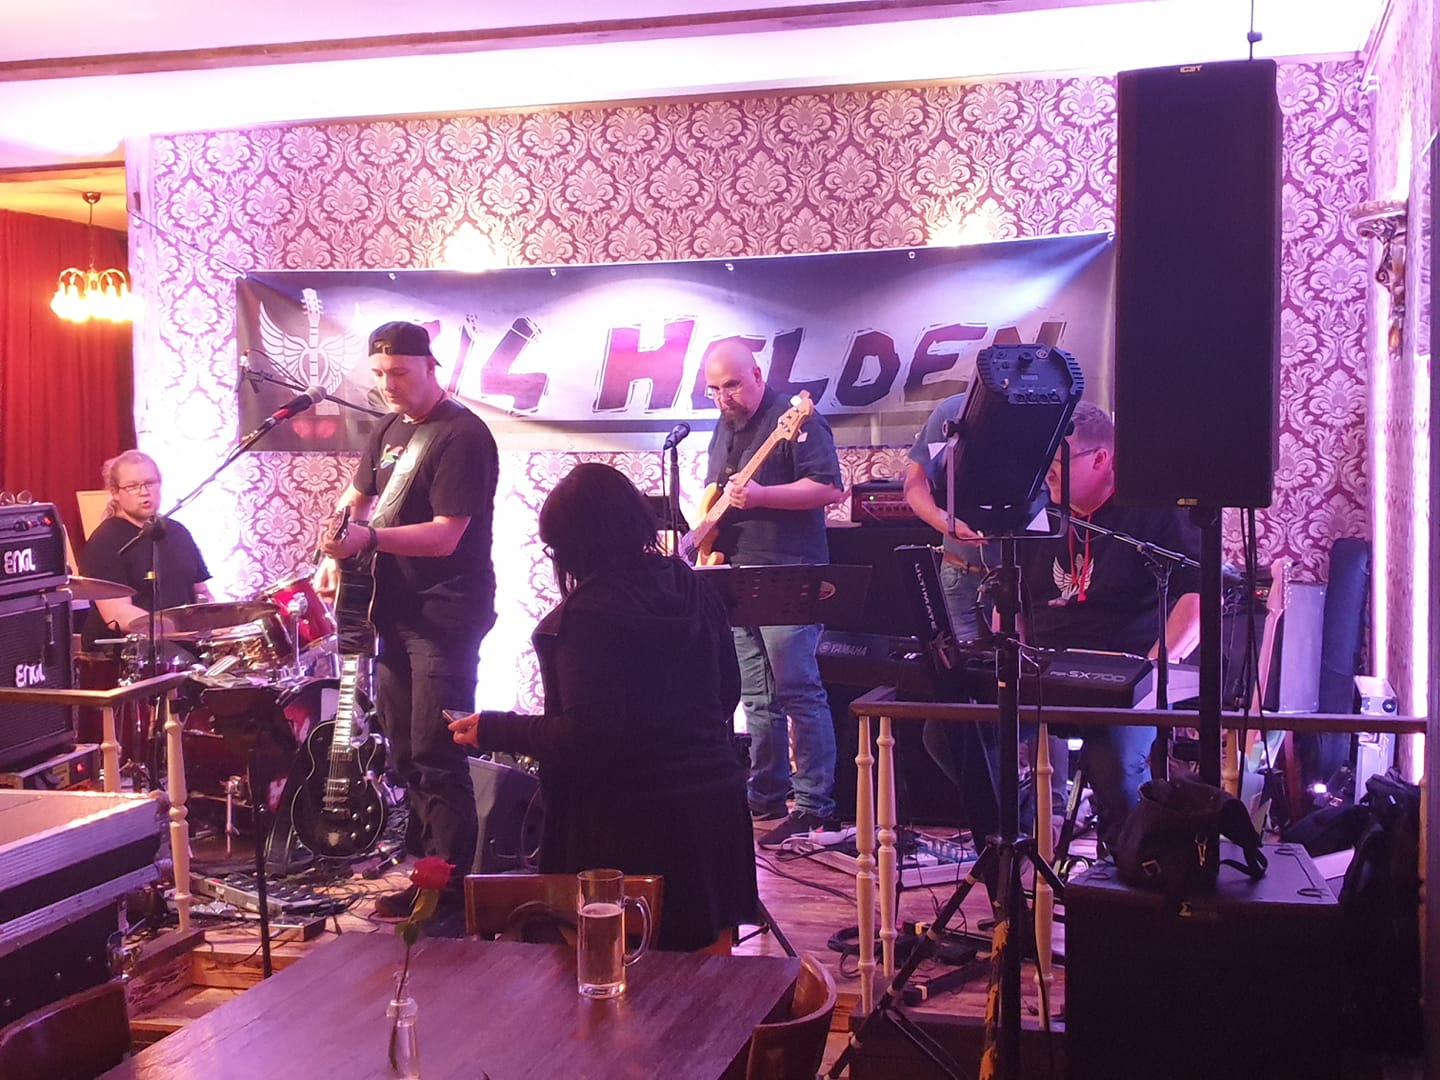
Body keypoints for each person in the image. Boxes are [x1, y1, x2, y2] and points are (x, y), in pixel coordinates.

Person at [447, 463, 758, 951]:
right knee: (709, 983)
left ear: (574, 546)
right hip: (713, 810)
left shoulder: (588, 616)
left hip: (627, 825)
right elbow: (727, 693)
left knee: (612, 979)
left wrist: (493, 729)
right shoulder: (691, 585)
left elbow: (587, 736)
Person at [317, 321, 499, 928]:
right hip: (391, 610)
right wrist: (331, 550)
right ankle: (426, 877)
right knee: (403, 751)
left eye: (399, 372)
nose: (388, 384)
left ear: (430, 366)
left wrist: (367, 540)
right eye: (379, 374)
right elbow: (356, 498)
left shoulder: (462, 435)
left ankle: (453, 893)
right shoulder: (388, 428)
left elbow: (446, 536)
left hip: (446, 613)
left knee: (436, 750)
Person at [1016, 400, 1201, 845]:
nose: (1046, 472)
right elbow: (1013, 604)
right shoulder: (1036, 513)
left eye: (1058, 460)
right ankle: (1014, 836)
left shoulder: (1155, 510)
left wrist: (1153, 669)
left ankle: (1130, 867)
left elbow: (1198, 597)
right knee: (949, 733)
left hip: (1124, 681)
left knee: (1115, 767)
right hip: (1042, 674)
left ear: (1101, 459)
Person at [699, 341, 846, 849]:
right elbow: (715, 494)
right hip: (736, 573)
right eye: (714, 390)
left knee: (798, 690)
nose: (724, 398)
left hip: (789, 571)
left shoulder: (798, 419)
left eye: (732, 386)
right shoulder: (724, 426)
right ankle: (765, 794)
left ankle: (814, 805)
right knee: (757, 697)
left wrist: (763, 496)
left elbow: (829, 488)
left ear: (757, 375)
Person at [79, 450, 214, 650]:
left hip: (185, 645)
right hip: (129, 653)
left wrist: (218, 623)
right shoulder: (105, 541)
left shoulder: (178, 531)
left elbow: (201, 592)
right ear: (115, 493)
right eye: (133, 486)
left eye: (150, 483)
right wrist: (177, 631)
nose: (144, 492)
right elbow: (118, 614)